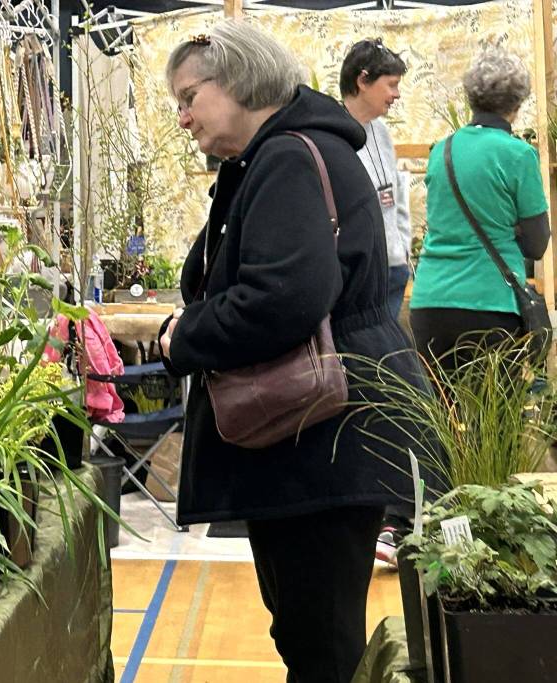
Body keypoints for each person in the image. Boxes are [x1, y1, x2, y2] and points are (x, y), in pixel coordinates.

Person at [158, 22, 424, 683]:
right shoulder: (286, 154)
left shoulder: (287, 158)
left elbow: (285, 294)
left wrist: (183, 337)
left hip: (325, 441)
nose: (184, 116)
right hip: (324, 436)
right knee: (313, 632)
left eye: (190, 96)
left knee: (320, 642)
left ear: (240, 80)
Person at [409, 47, 549, 370]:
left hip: (430, 302)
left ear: (471, 98)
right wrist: (511, 229)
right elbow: (537, 243)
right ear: (517, 104)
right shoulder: (518, 154)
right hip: (491, 303)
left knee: (444, 416)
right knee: (497, 417)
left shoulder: (440, 151)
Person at [340, 39, 412, 320]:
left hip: (393, 268)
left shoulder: (381, 131)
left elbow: (396, 195)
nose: (396, 94)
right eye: (391, 84)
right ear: (362, 80)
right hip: (359, 276)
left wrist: (402, 249)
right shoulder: (333, 132)